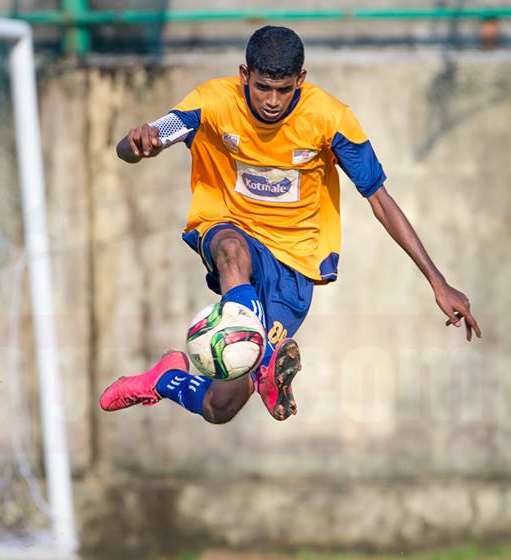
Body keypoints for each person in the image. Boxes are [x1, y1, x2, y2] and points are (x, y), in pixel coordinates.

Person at [100, 25, 481, 423]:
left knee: (221, 407)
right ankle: (266, 361)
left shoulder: (330, 119)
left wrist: (437, 281)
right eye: (263, 87)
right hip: (227, 224)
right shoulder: (211, 102)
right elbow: (143, 140)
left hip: (296, 261)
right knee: (232, 250)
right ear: (244, 75)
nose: (272, 101)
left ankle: (167, 379)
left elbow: (381, 201)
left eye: (284, 90)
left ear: (301, 79)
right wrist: (139, 144)